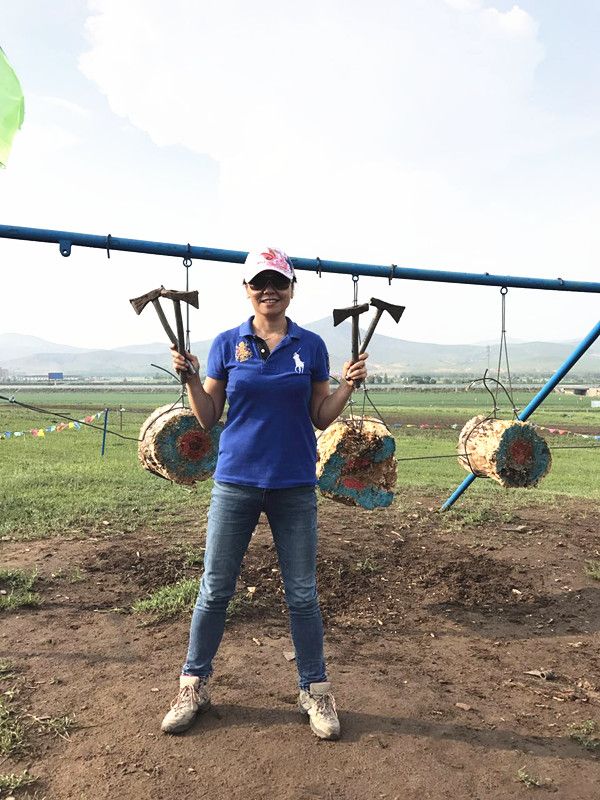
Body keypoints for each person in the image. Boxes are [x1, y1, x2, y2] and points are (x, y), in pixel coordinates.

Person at [161, 247, 368, 740]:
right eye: (259, 282)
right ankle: (193, 684)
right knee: (215, 589)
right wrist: (190, 379)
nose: (268, 290)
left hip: (294, 482)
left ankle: (315, 689)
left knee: (301, 593)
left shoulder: (310, 345)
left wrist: (347, 387)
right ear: (247, 290)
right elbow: (209, 416)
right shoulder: (227, 343)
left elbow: (320, 416)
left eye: (277, 281)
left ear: (291, 288)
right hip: (235, 481)